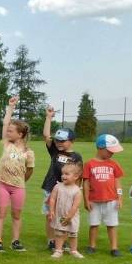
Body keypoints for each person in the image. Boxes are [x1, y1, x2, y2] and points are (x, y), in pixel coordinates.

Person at [0, 96, 35, 252]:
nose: (8, 133)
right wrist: (10, 107)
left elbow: (29, 170)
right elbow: (5, 123)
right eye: (8, 131)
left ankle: (15, 241)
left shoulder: (29, 153)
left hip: (19, 187)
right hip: (3, 185)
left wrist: (21, 181)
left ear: (21, 134)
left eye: (11, 131)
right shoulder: (7, 144)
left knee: (16, 215)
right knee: (1, 213)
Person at [42, 107, 83, 251]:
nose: (59, 143)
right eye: (58, 140)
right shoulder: (54, 151)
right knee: (50, 214)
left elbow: (78, 175)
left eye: (63, 141)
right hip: (51, 187)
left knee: (64, 214)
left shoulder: (76, 156)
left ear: (71, 141)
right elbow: (46, 136)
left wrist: (77, 190)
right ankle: (51, 240)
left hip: (67, 191)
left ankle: (61, 240)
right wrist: (48, 117)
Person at [82, 134, 125, 256]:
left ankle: (114, 248)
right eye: (110, 151)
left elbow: (118, 183)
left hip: (111, 201)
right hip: (94, 201)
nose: (112, 154)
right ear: (100, 148)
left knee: (112, 225)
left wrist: (120, 198)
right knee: (94, 224)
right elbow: (85, 183)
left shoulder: (114, 164)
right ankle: (92, 246)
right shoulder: (89, 164)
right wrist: (86, 200)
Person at [48, 163, 85, 259]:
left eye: (67, 174)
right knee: (59, 233)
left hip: (72, 216)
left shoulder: (77, 191)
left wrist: (69, 217)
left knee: (73, 233)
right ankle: (58, 250)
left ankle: (74, 250)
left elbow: (75, 206)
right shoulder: (58, 187)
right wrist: (51, 210)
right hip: (60, 214)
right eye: (63, 174)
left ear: (76, 176)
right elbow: (52, 199)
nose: (63, 176)